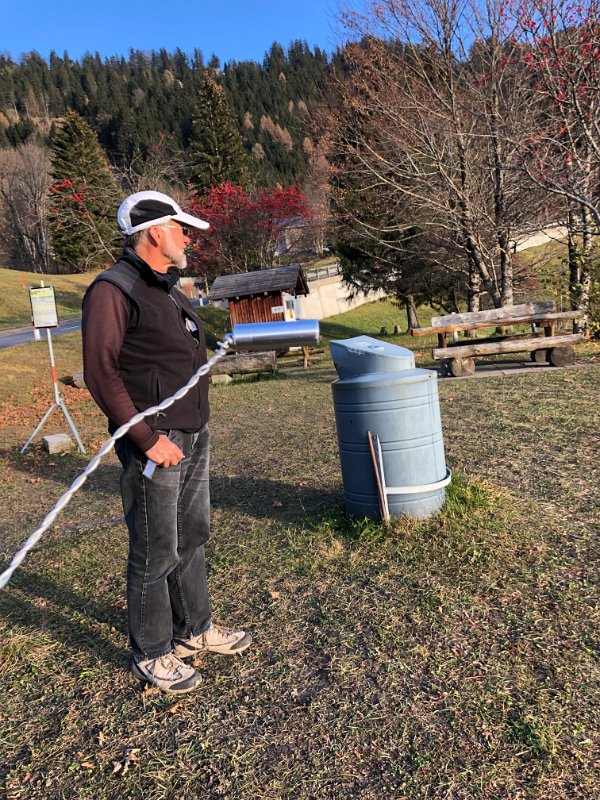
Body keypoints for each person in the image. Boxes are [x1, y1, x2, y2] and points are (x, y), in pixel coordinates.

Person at [82, 190, 251, 694]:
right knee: (156, 547)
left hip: (192, 433)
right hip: (155, 441)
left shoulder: (168, 289)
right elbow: (101, 372)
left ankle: (194, 629)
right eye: (181, 230)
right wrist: (146, 437)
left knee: (192, 533)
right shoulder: (114, 289)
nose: (187, 240)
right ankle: (152, 652)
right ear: (155, 232)